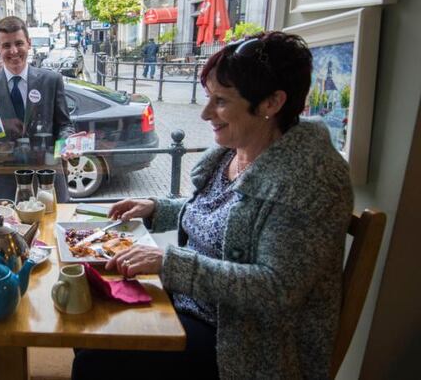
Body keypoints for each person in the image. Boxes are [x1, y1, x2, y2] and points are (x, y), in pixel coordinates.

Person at [71, 31, 353, 379]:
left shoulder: (311, 179)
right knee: (86, 321)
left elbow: (276, 287)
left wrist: (168, 263)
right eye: (208, 97)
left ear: (271, 103)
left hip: (245, 343)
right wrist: (157, 208)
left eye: (220, 101)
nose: (205, 113)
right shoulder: (237, 153)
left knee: (94, 363)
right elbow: (218, 215)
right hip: (194, 307)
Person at [0, 16, 77, 201]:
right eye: (6, 46)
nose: (14, 51)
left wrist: (67, 144)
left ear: (29, 44)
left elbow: (65, 125)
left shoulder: (51, 81)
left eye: (19, 43)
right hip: (5, 187)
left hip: (47, 182)